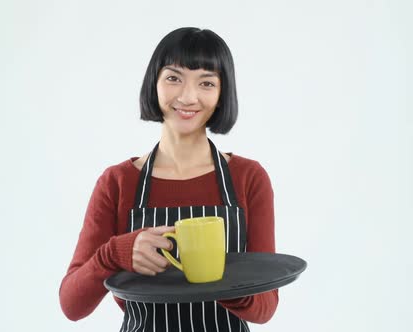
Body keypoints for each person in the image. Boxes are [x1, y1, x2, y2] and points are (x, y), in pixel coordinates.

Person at [59, 27, 278, 332]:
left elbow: (266, 307)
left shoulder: (248, 178)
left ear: (222, 93)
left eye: (206, 83)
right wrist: (114, 253)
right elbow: (71, 304)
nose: (188, 97)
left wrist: (223, 285)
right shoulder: (118, 182)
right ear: (154, 83)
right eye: (174, 78)